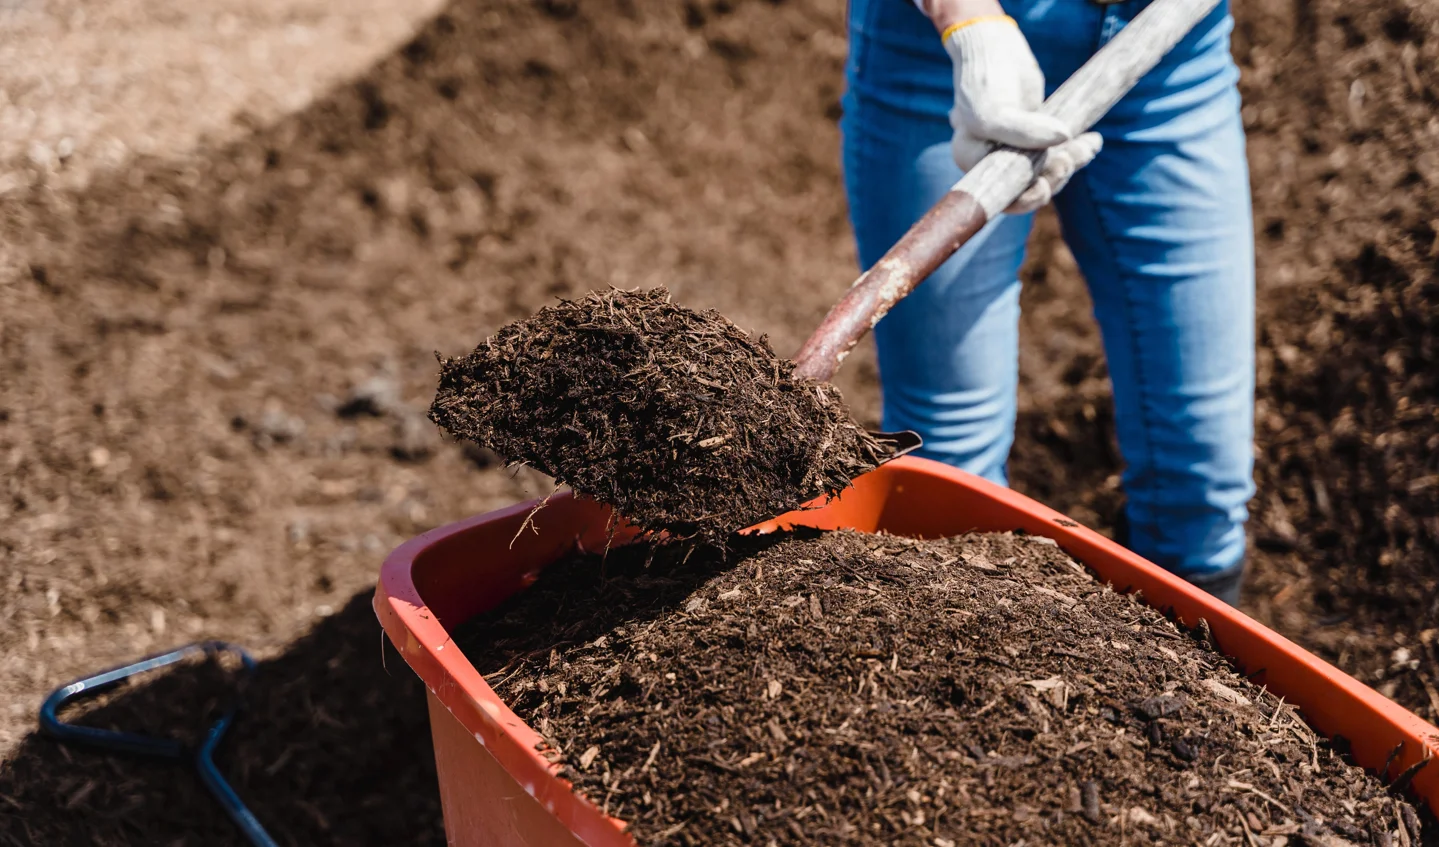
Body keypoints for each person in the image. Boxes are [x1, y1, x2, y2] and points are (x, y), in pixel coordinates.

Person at [841, 0, 1254, 605]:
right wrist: (967, 22)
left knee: (1201, 475)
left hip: (1171, 45)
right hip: (952, 54)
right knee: (952, 466)